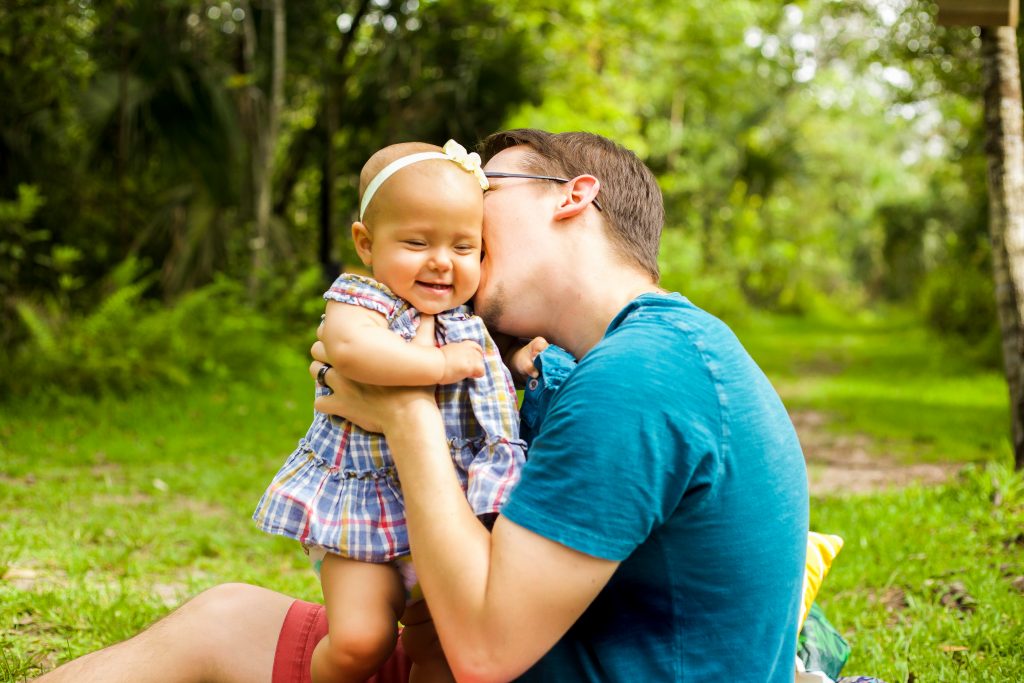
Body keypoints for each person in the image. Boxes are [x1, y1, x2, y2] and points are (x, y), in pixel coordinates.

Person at [34, 129, 809, 683]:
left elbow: (483, 650)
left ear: (573, 197)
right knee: (224, 614)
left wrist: (404, 409)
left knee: (218, 629)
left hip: (502, 659)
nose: (459, 220)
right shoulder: (640, 355)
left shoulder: (641, 377)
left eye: (482, 191)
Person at [252, 139, 536, 683]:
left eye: (463, 247)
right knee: (362, 642)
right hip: (366, 514)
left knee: (445, 655)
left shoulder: (468, 319)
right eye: (415, 241)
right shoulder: (364, 300)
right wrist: (442, 365)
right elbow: (352, 351)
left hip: (455, 515)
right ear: (365, 242)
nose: (440, 262)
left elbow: (486, 381)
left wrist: (516, 364)